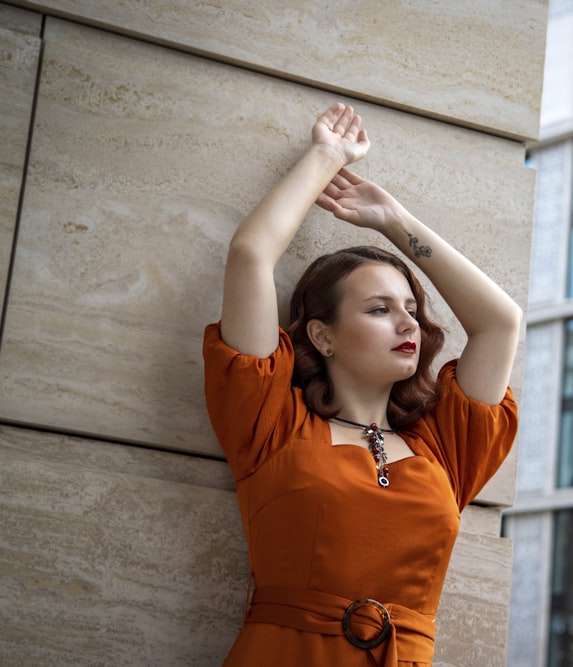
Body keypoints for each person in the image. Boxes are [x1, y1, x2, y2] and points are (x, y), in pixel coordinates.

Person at [202, 102, 521, 666]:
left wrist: (394, 220)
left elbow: (501, 322)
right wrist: (326, 157)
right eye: (379, 309)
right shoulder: (271, 425)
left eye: (412, 311)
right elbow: (251, 255)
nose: (409, 325)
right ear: (323, 337)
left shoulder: (447, 449)